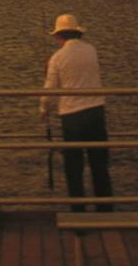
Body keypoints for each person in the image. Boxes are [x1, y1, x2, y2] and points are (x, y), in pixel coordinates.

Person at [40, 13, 113, 210]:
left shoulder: (57, 58)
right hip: (96, 111)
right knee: (99, 165)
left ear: (58, 35)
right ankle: (106, 210)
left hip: (72, 117)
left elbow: (49, 91)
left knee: (74, 167)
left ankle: (79, 211)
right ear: (78, 32)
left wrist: (43, 109)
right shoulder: (91, 50)